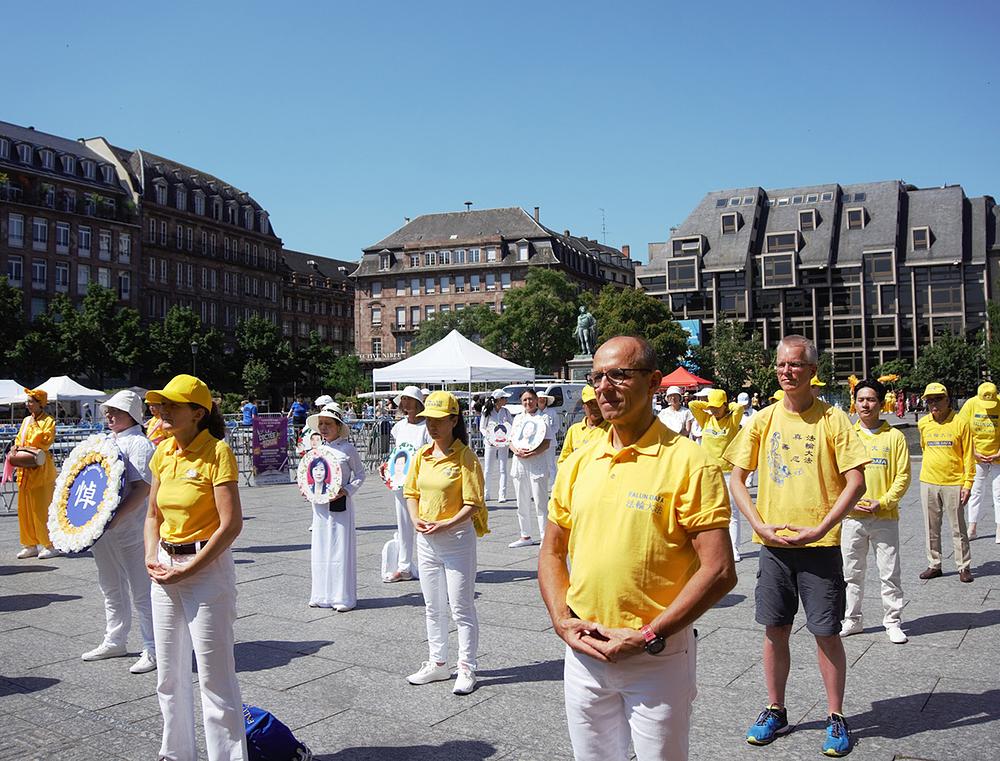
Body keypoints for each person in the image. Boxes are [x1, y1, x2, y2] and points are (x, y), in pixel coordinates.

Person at [539, 336, 736, 761]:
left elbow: (719, 571)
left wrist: (648, 635)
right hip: (585, 650)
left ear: (654, 383)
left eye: (619, 374)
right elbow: (552, 552)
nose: (604, 387)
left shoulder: (690, 462)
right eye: (597, 376)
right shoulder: (578, 461)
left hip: (655, 656)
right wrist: (561, 621)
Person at [726, 335, 869, 757]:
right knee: (775, 629)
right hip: (774, 546)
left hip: (820, 546)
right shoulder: (762, 419)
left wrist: (823, 526)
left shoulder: (833, 420)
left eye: (795, 365)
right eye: (781, 365)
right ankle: (776, 708)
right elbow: (737, 477)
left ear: (812, 371)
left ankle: (836, 715)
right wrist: (759, 525)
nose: (787, 371)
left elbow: (856, 481)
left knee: (826, 631)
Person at [143, 374, 247, 761]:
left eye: (172, 405)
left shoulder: (217, 452)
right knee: (168, 676)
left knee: (214, 676)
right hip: (166, 566)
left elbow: (231, 524)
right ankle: (175, 754)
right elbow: (152, 515)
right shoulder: (162, 452)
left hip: (205, 567)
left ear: (198, 413)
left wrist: (189, 569)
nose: (162, 410)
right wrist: (152, 557)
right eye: (161, 404)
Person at [404, 391, 486, 695]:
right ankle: (438, 663)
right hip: (426, 538)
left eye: (439, 420)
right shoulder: (422, 455)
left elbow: (473, 502)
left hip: (456, 539)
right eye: (428, 420)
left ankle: (467, 667)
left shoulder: (465, 457)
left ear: (454, 420)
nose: (432, 426)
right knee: (432, 606)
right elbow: (410, 492)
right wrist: (415, 520)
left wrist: (446, 523)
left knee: (461, 607)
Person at [82, 391, 158, 673]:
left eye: (116, 411)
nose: (109, 415)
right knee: (111, 586)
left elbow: (143, 488)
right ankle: (115, 639)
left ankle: (153, 647)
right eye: (108, 411)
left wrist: (113, 519)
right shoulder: (106, 441)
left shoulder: (140, 443)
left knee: (141, 589)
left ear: (133, 414)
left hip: (131, 527)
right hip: (104, 529)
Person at [840, 379, 911, 645]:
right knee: (851, 573)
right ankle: (852, 619)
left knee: (889, 572)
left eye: (871, 400)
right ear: (854, 403)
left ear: (881, 403)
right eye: (861, 400)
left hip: (884, 517)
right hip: (852, 518)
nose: (865, 405)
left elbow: (902, 476)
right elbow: (836, 475)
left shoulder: (894, 437)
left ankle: (892, 621)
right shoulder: (848, 436)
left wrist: (883, 502)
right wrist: (849, 501)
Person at [306, 403, 366, 610]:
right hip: (320, 506)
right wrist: (308, 490)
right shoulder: (317, 450)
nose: (323, 427)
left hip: (341, 504)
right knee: (321, 546)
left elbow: (360, 474)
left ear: (338, 426)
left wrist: (347, 490)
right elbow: (309, 475)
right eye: (321, 424)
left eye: (328, 424)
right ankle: (321, 594)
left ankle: (342, 596)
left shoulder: (348, 449)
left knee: (340, 547)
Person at [917, 382, 975, 582]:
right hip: (928, 481)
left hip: (953, 482)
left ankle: (963, 566)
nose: (933, 404)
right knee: (930, 526)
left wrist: (968, 484)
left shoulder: (960, 423)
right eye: (929, 400)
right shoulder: (923, 423)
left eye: (938, 399)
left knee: (958, 527)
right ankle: (934, 564)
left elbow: (969, 455)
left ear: (947, 399)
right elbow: (925, 449)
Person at [690, 389, 746, 562]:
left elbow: (739, 408)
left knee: (731, 512)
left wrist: (725, 405)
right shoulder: (706, 419)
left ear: (724, 405)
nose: (713, 410)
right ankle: (710, 550)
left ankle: (734, 549)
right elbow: (693, 404)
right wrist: (709, 405)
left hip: (729, 472)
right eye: (711, 407)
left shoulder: (732, 420)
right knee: (707, 511)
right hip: (709, 472)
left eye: (717, 407)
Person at [385, 386, 432, 583]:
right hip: (400, 480)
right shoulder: (399, 427)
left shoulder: (428, 427)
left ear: (418, 402)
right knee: (403, 523)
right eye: (402, 399)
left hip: (422, 482)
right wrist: (387, 464)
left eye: (408, 399)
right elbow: (397, 452)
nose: (405, 403)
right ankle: (404, 566)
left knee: (424, 523)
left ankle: (429, 565)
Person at [11, 387, 60, 560]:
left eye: (31, 402)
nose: (28, 405)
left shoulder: (48, 420)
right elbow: (19, 439)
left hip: (41, 468)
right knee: (24, 508)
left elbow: (44, 442)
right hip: (25, 469)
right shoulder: (25, 421)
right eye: (27, 402)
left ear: (40, 404)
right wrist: (17, 447)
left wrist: (28, 442)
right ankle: (30, 543)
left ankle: (49, 544)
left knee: (41, 508)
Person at [509, 389, 555, 548]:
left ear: (536, 400)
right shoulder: (518, 419)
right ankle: (525, 535)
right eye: (524, 400)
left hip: (537, 464)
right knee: (521, 502)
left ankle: (545, 536)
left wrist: (533, 453)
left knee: (540, 503)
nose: (528, 403)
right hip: (520, 463)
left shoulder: (544, 418)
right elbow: (511, 440)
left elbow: (547, 442)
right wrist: (516, 451)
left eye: (530, 399)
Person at [958, 381, 1000, 541]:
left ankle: (999, 528)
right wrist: (973, 452)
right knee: (975, 491)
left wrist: (998, 453)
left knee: (999, 493)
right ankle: (972, 527)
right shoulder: (971, 404)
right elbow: (962, 430)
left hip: (998, 454)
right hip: (977, 454)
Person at [557, 385, 609, 465]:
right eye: (590, 403)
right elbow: (563, 460)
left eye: (597, 403)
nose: (595, 407)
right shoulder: (574, 430)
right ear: (583, 406)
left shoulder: (612, 429)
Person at [479, 389, 514, 502]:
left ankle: (502, 494)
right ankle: (486, 493)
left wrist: (508, 437)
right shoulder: (487, 411)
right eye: (504, 398)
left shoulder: (506, 412)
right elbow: (482, 427)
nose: (506, 400)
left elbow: (511, 426)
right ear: (499, 400)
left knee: (503, 468)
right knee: (488, 469)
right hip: (490, 443)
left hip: (503, 443)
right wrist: (488, 437)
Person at [537, 390, 560, 480]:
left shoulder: (552, 412)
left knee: (551, 464)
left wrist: (548, 434)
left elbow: (556, 426)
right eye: (540, 398)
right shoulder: (534, 412)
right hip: (537, 443)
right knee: (539, 464)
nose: (542, 400)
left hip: (550, 442)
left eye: (544, 398)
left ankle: (553, 486)